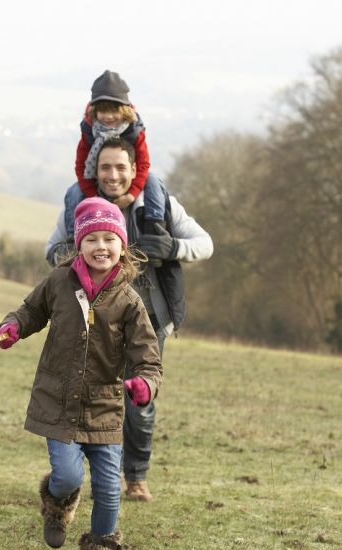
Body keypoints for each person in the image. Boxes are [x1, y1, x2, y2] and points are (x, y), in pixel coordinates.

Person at [0, 198, 162, 550]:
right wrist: (13, 327)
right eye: (92, 239)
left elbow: (149, 359)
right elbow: (29, 311)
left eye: (110, 238)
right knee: (68, 477)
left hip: (104, 409)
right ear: (79, 244)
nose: (101, 247)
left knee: (108, 489)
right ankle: (56, 505)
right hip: (58, 403)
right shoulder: (58, 282)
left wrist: (144, 385)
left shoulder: (129, 301)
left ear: (122, 246)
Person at [46, 137, 214, 502]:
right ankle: (104, 477)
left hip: (149, 319)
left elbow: (205, 243)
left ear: (135, 170)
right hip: (94, 320)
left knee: (140, 399)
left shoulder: (160, 204)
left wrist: (172, 248)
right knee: (96, 397)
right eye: (105, 167)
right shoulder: (78, 204)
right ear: (95, 170)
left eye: (121, 166)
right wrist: (76, 256)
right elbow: (52, 250)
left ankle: (136, 476)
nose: (113, 175)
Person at [73, 70, 166, 239]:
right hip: (98, 181)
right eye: (102, 111)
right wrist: (94, 196)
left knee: (153, 180)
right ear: (94, 111)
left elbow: (143, 164)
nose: (108, 116)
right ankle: (73, 235)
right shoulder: (89, 131)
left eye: (113, 110)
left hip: (132, 180)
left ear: (124, 109)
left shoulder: (134, 130)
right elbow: (81, 165)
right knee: (74, 191)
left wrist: (131, 195)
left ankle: (155, 228)